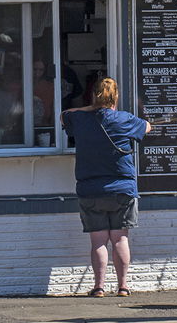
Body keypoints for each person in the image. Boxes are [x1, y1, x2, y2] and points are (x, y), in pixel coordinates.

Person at [61, 77, 148, 296]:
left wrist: (91, 107)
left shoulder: (80, 119)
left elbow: (64, 116)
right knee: (120, 238)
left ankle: (99, 287)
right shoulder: (124, 119)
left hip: (90, 189)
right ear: (115, 97)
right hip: (122, 188)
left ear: (93, 96)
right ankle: (123, 286)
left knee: (98, 241)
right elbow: (147, 126)